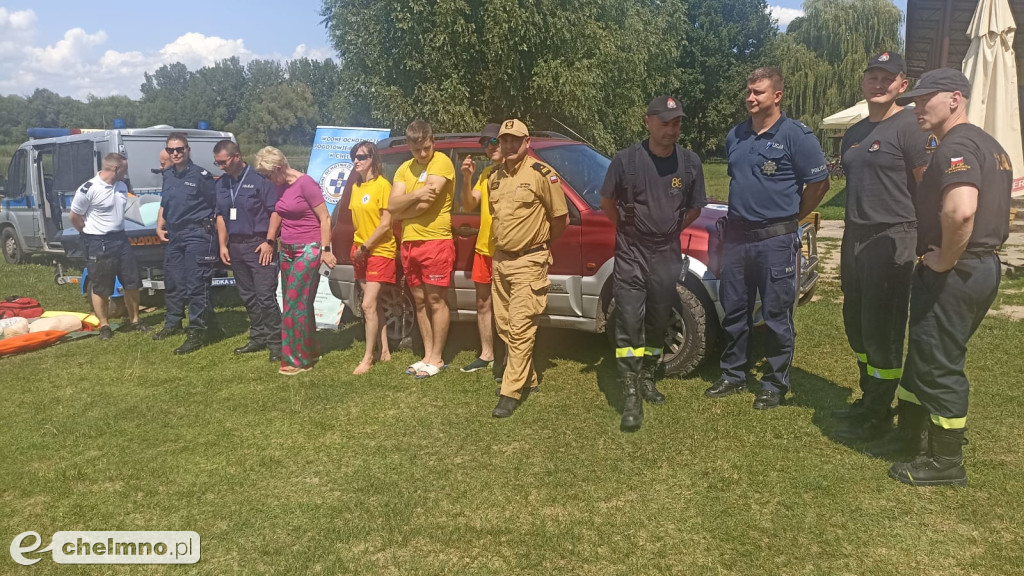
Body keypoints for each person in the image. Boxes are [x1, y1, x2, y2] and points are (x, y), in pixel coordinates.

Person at [886, 68, 1012, 487]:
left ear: (954, 99)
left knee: (940, 360)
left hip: (958, 269)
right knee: (926, 349)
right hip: (982, 266)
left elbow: (961, 210)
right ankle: (912, 434)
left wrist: (944, 260)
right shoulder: (991, 145)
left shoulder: (955, 146)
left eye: (925, 99)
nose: (916, 106)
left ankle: (945, 461)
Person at [704, 67, 830, 410]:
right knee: (734, 310)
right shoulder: (736, 136)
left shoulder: (796, 136)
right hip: (736, 240)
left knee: (775, 315)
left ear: (777, 96)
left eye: (758, 92)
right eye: (748, 91)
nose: (750, 98)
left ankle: (774, 383)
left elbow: (819, 184)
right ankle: (733, 373)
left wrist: (791, 217)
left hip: (776, 241)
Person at [833, 52, 930, 444]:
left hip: (893, 236)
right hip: (854, 235)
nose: (879, 84)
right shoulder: (855, 133)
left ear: (902, 85)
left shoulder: (910, 126)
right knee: (855, 323)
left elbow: (928, 186)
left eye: (887, 79)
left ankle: (878, 413)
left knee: (884, 328)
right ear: (863, 82)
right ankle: (869, 395)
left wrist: (925, 240)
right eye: (873, 77)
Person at [600, 96, 707, 429]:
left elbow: (695, 209)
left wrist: (668, 232)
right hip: (631, 252)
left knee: (659, 319)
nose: (671, 129)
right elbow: (607, 202)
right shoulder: (625, 162)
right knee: (629, 320)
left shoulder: (690, 164)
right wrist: (631, 231)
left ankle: (648, 376)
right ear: (647, 122)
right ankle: (630, 393)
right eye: (665, 123)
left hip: (666, 253)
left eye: (676, 123)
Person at [489, 119, 569, 418]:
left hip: (530, 261)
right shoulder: (494, 178)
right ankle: (529, 378)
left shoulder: (541, 175)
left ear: (527, 142)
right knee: (505, 326)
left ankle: (510, 392)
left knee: (521, 327)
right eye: (504, 140)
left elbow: (560, 218)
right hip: (501, 260)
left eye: (515, 140)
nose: (509, 145)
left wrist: (539, 245)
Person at [254, 146, 337, 376]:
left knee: (293, 304)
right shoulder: (279, 186)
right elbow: (279, 212)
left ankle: (296, 360)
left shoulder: (306, 184)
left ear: (279, 168)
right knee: (300, 303)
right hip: (287, 249)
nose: (268, 180)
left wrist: (325, 249)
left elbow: (325, 218)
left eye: (269, 174)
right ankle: (310, 349)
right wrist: (270, 240)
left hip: (308, 249)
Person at [388, 120, 456, 379]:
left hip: (435, 241)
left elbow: (425, 207)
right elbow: (393, 207)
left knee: (436, 300)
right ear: (409, 147)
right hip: (409, 242)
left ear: (433, 141)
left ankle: (437, 357)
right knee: (419, 301)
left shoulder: (441, 163)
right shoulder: (405, 168)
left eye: (426, 148)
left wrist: (403, 205)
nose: (423, 155)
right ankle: (427, 355)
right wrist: (416, 195)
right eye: (417, 150)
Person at [213, 140, 283, 363]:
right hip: (236, 245)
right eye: (217, 163)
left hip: (259, 244)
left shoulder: (259, 179)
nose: (221, 167)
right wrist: (223, 245)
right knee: (248, 296)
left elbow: (276, 212)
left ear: (236, 157)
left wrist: (269, 241)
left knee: (265, 296)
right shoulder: (221, 184)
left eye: (223, 162)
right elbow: (221, 216)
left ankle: (277, 343)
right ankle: (258, 336)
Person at [152, 132, 221, 355]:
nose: (175, 153)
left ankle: (197, 332)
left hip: (198, 233)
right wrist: (159, 225)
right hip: (175, 233)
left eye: (179, 149)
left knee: (196, 284)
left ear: (187, 150)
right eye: (171, 150)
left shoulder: (201, 175)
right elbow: (166, 202)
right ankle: (173, 324)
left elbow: (215, 205)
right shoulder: (168, 174)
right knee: (173, 281)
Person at [68, 153, 148, 340]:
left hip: (121, 239)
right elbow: (75, 216)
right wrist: (87, 233)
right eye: (125, 169)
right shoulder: (89, 189)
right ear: (115, 169)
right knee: (101, 286)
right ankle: (104, 325)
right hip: (99, 242)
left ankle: (135, 320)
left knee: (132, 281)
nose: (126, 173)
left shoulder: (121, 185)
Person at [347, 141, 397, 375]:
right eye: (353, 157)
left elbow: (386, 224)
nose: (356, 160)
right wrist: (360, 247)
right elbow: (358, 221)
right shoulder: (356, 187)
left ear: (373, 160)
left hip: (378, 251)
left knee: (367, 305)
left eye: (361, 157)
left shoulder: (383, 186)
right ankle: (384, 350)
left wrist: (366, 246)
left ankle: (367, 358)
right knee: (373, 305)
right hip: (360, 250)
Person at [459, 123, 503, 375]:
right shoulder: (486, 175)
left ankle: (508, 357)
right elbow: (468, 204)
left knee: (507, 305)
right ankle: (486, 354)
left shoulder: (515, 173)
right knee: (482, 302)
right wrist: (466, 178)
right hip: (483, 248)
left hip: (505, 251)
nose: (489, 148)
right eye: (485, 144)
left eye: (493, 142)